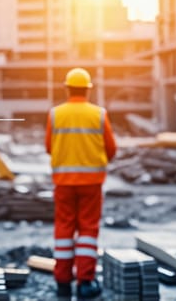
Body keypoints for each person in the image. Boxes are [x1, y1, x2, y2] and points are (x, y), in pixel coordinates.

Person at [45, 68, 117, 300]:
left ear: (67, 88)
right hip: (91, 182)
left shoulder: (55, 114)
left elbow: (49, 147)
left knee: (64, 230)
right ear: (88, 89)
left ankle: (63, 283)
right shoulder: (99, 114)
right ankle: (85, 283)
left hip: (64, 182)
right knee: (87, 229)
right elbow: (111, 149)